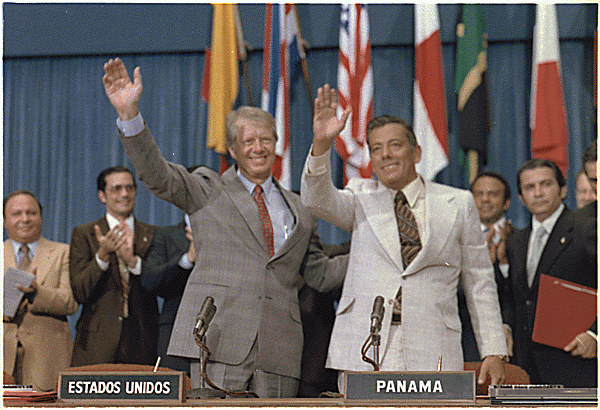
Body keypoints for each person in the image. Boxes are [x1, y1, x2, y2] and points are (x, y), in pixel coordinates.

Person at [101, 58, 347, 398]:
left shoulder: (301, 208)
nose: (258, 148)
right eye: (248, 141)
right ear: (232, 149)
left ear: (276, 144)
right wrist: (130, 115)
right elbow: (157, 175)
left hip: (279, 352)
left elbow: (320, 274)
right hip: (215, 343)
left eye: (266, 139)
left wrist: (372, 251)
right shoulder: (208, 189)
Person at [301, 85, 508, 392]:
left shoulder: (458, 202)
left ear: (417, 152)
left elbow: (479, 282)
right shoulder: (360, 196)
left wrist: (493, 349)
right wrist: (322, 143)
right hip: (365, 346)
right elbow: (315, 199)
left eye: (395, 145)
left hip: (433, 343)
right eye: (376, 148)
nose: (385, 155)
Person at [500, 158, 597, 387]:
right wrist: (505, 326)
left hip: (576, 363)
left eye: (546, 184)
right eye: (529, 188)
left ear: (563, 190)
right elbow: (514, 297)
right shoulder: (515, 241)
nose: (538, 193)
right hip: (526, 368)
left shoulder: (588, 228)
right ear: (521, 198)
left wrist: (595, 334)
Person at [69, 166, 158, 366]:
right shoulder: (85, 234)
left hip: (142, 342)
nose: (125, 194)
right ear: (102, 195)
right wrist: (102, 255)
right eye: (116, 189)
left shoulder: (152, 234)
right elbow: (79, 291)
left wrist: (134, 262)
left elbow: (160, 285)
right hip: (97, 344)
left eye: (130, 188)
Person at [3, 190, 78, 390]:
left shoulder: (64, 252)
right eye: (17, 213)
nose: (25, 219)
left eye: (31, 213)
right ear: (4, 220)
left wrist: (37, 292)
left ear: (41, 217)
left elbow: (70, 302)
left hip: (46, 360)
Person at [460, 172, 514, 361]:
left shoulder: (520, 239)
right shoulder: (455, 241)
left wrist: (504, 265)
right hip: (465, 341)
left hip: (512, 342)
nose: (485, 200)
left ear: (506, 202)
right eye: (478, 194)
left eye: (493, 194)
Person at [142, 215, 195, 374]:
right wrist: (187, 259)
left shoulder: (229, 232)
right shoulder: (166, 234)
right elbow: (150, 281)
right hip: (175, 333)